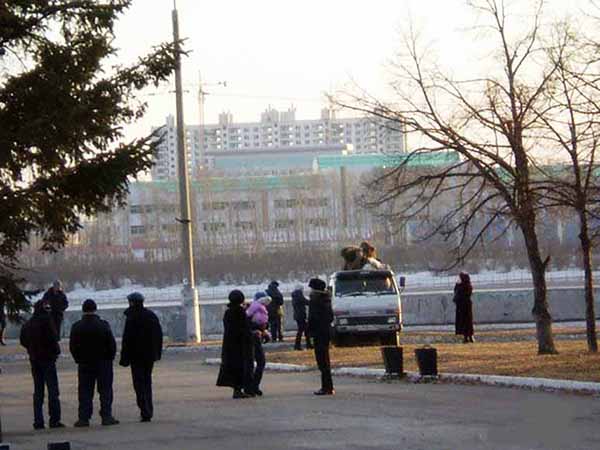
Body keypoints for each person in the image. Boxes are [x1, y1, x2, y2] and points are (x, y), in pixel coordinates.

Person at [69, 299, 119, 427]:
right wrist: (109, 358)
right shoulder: (103, 325)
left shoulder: (77, 326)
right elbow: (111, 345)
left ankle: (84, 418)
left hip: (85, 363)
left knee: (85, 391)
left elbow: (73, 346)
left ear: (83, 310)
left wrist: (78, 359)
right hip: (103, 362)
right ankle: (106, 416)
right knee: (105, 390)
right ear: (95, 309)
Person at [19, 299, 64, 430]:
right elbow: (53, 339)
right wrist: (56, 352)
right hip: (48, 359)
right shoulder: (47, 322)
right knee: (53, 391)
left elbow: (23, 340)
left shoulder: (28, 324)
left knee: (38, 391)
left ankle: (38, 421)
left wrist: (31, 349)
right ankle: (54, 420)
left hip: (35, 360)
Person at [119, 292, 163, 423]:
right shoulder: (151, 316)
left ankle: (144, 409)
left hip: (136, 356)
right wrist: (157, 353)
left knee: (139, 384)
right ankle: (148, 409)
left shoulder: (131, 317)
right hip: (149, 356)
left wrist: (124, 358)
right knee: (147, 381)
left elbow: (127, 339)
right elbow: (158, 336)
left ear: (132, 302)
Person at [216, 290, 255, 399]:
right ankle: (240, 390)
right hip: (241, 344)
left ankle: (237, 389)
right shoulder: (240, 312)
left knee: (233, 366)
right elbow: (245, 327)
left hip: (230, 343)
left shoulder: (228, 312)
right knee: (242, 366)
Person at [307, 278, 334, 396]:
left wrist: (309, 332)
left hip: (318, 333)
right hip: (326, 332)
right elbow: (330, 317)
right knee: (325, 359)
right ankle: (328, 386)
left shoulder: (315, 300)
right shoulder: (326, 299)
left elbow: (312, 318)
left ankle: (326, 387)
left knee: (322, 361)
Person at [245, 292, 271, 396]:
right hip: (253, 338)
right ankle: (252, 386)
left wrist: (264, 331)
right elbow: (249, 323)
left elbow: (263, 324)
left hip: (256, 337)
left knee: (257, 362)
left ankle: (253, 386)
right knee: (257, 362)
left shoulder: (259, 309)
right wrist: (260, 330)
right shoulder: (254, 309)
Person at [453, 272, 474, 343]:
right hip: (464, 306)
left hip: (463, 306)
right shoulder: (467, 285)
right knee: (466, 322)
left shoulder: (464, 286)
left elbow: (460, 293)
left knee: (465, 322)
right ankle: (468, 336)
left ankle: (467, 336)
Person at [291, 284, 312, 351]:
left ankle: (305, 344)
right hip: (301, 315)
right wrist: (312, 302)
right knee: (302, 330)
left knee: (303, 330)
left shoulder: (295, 295)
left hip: (298, 315)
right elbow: (305, 301)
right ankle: (299, 345)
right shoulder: (299, 294)